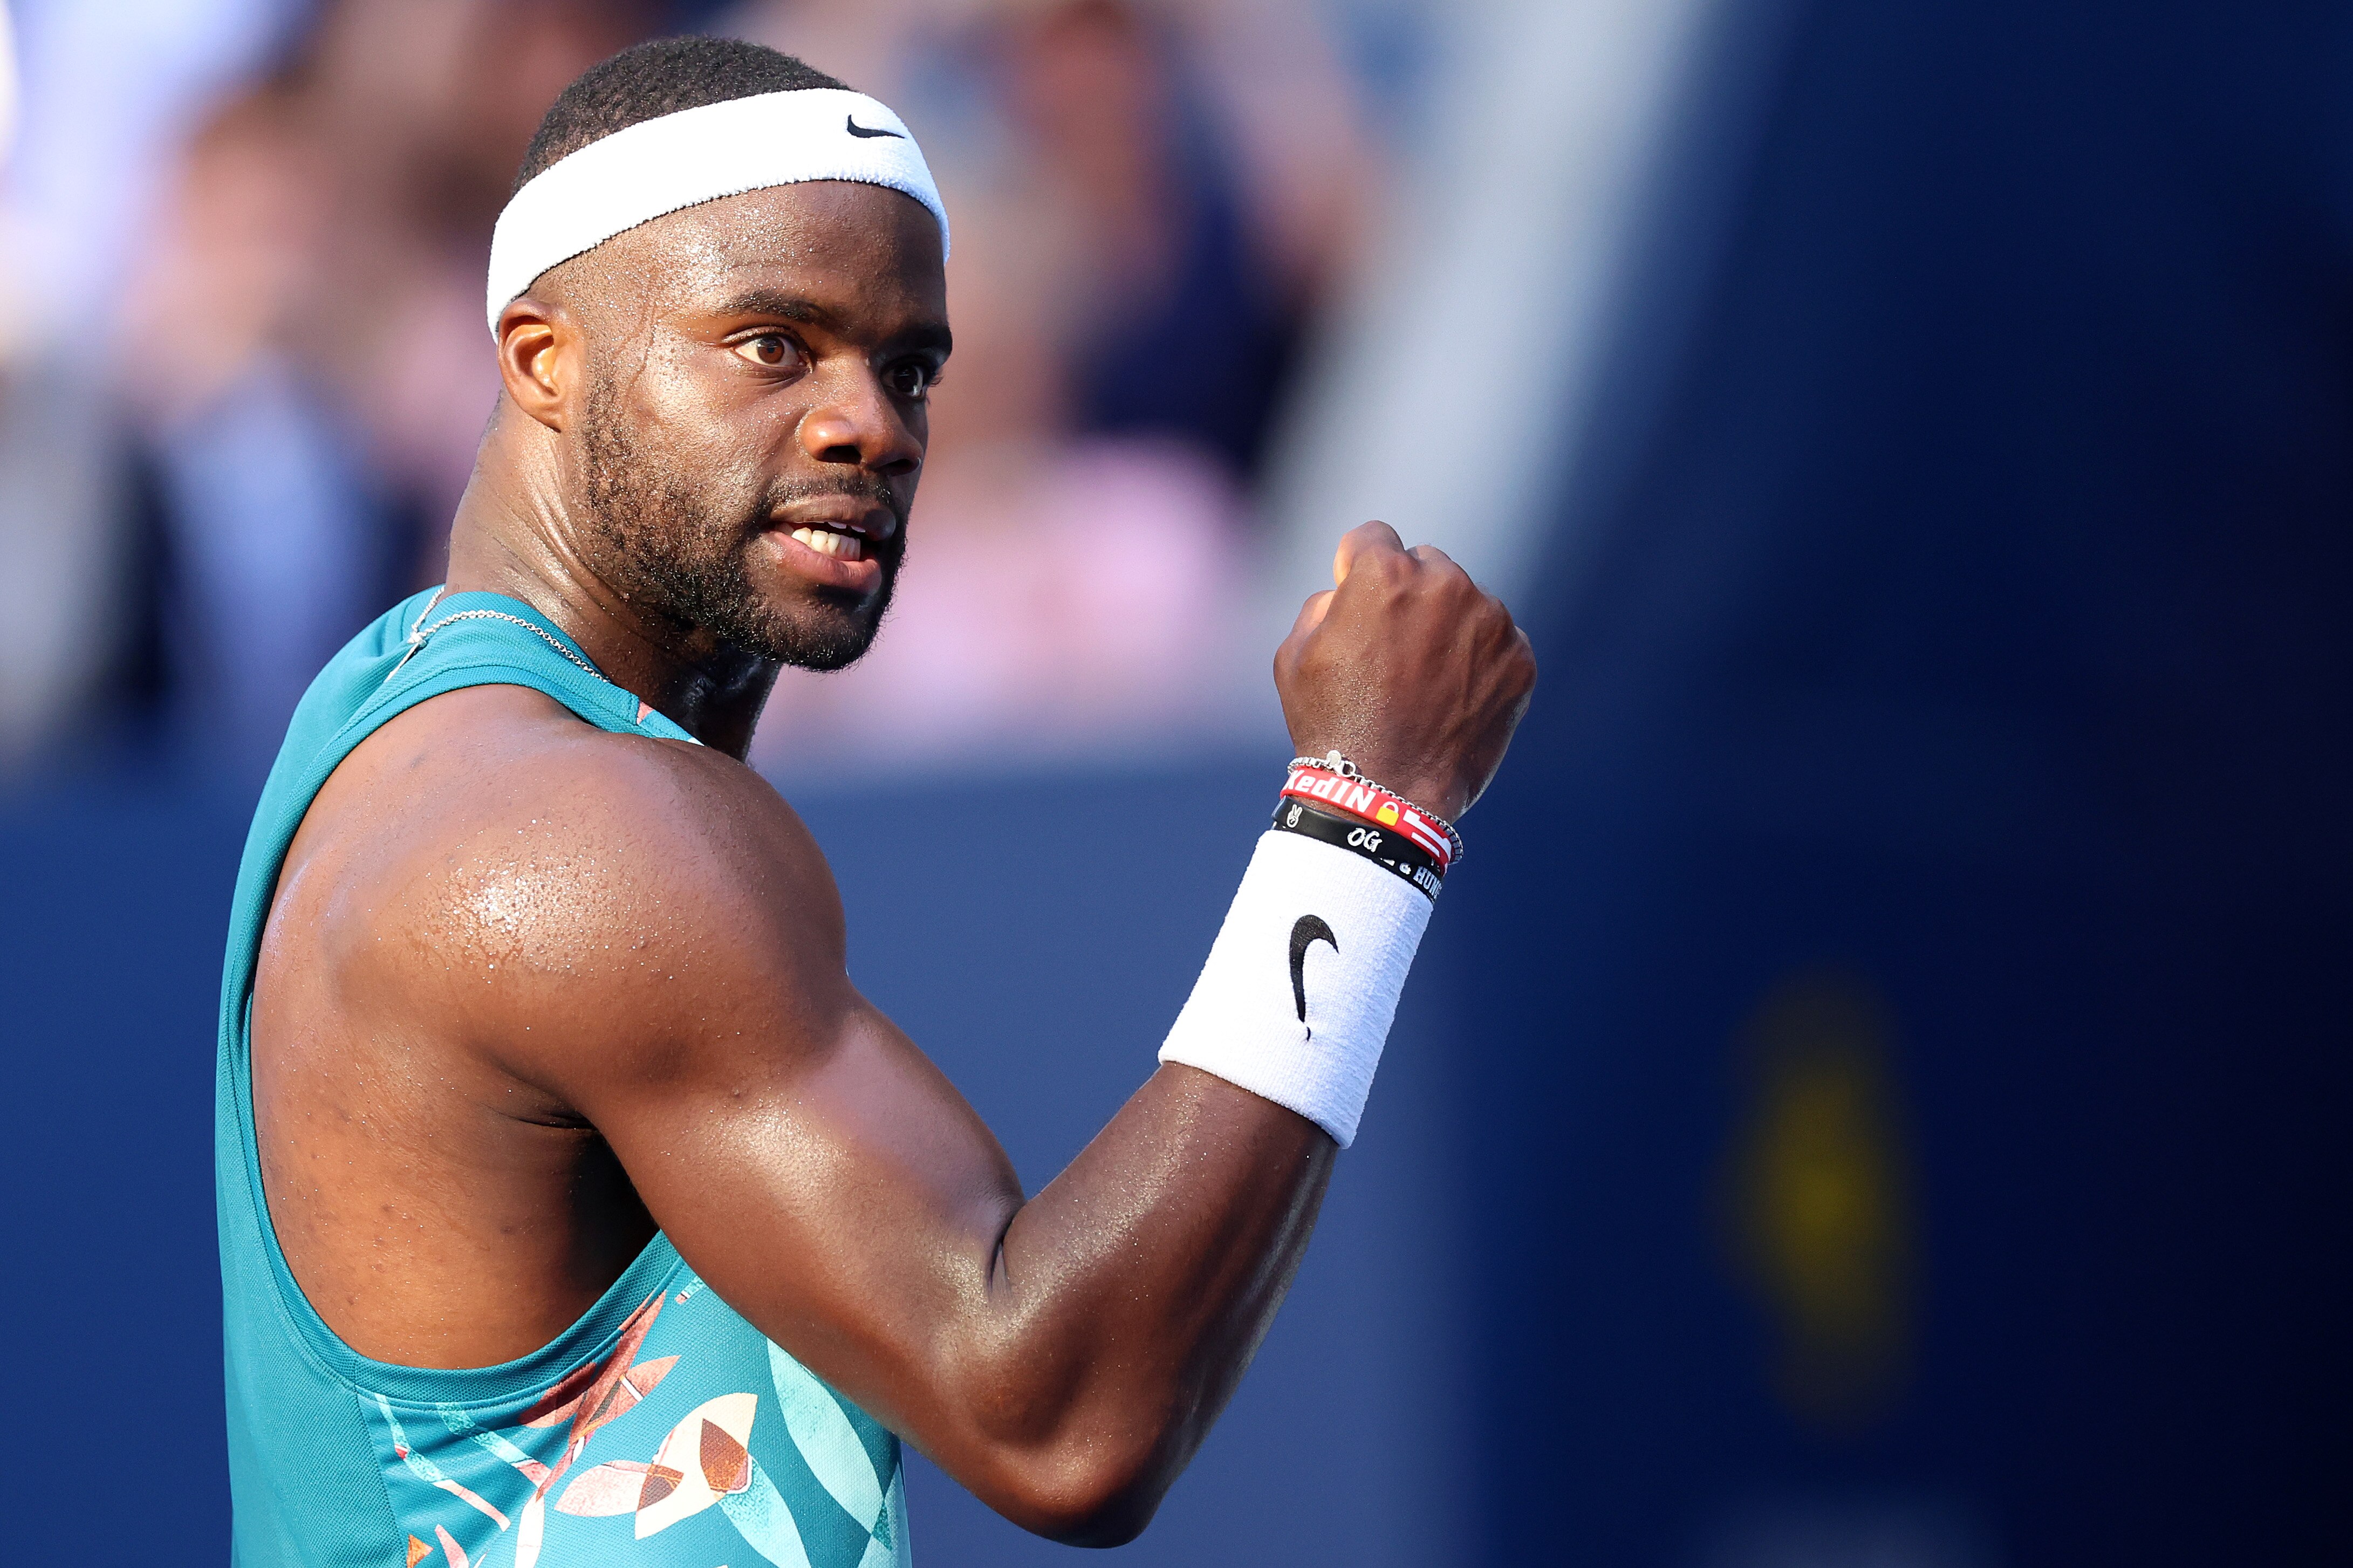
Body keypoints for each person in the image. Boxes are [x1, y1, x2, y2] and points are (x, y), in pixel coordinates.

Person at [216, 37, 1534, 1567]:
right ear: (539, 361)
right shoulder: (578, 832)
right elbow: (1058, 1413)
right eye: (773, 343)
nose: (874, 426)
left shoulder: (406, 704)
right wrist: (1368, 811)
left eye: (907, 365)